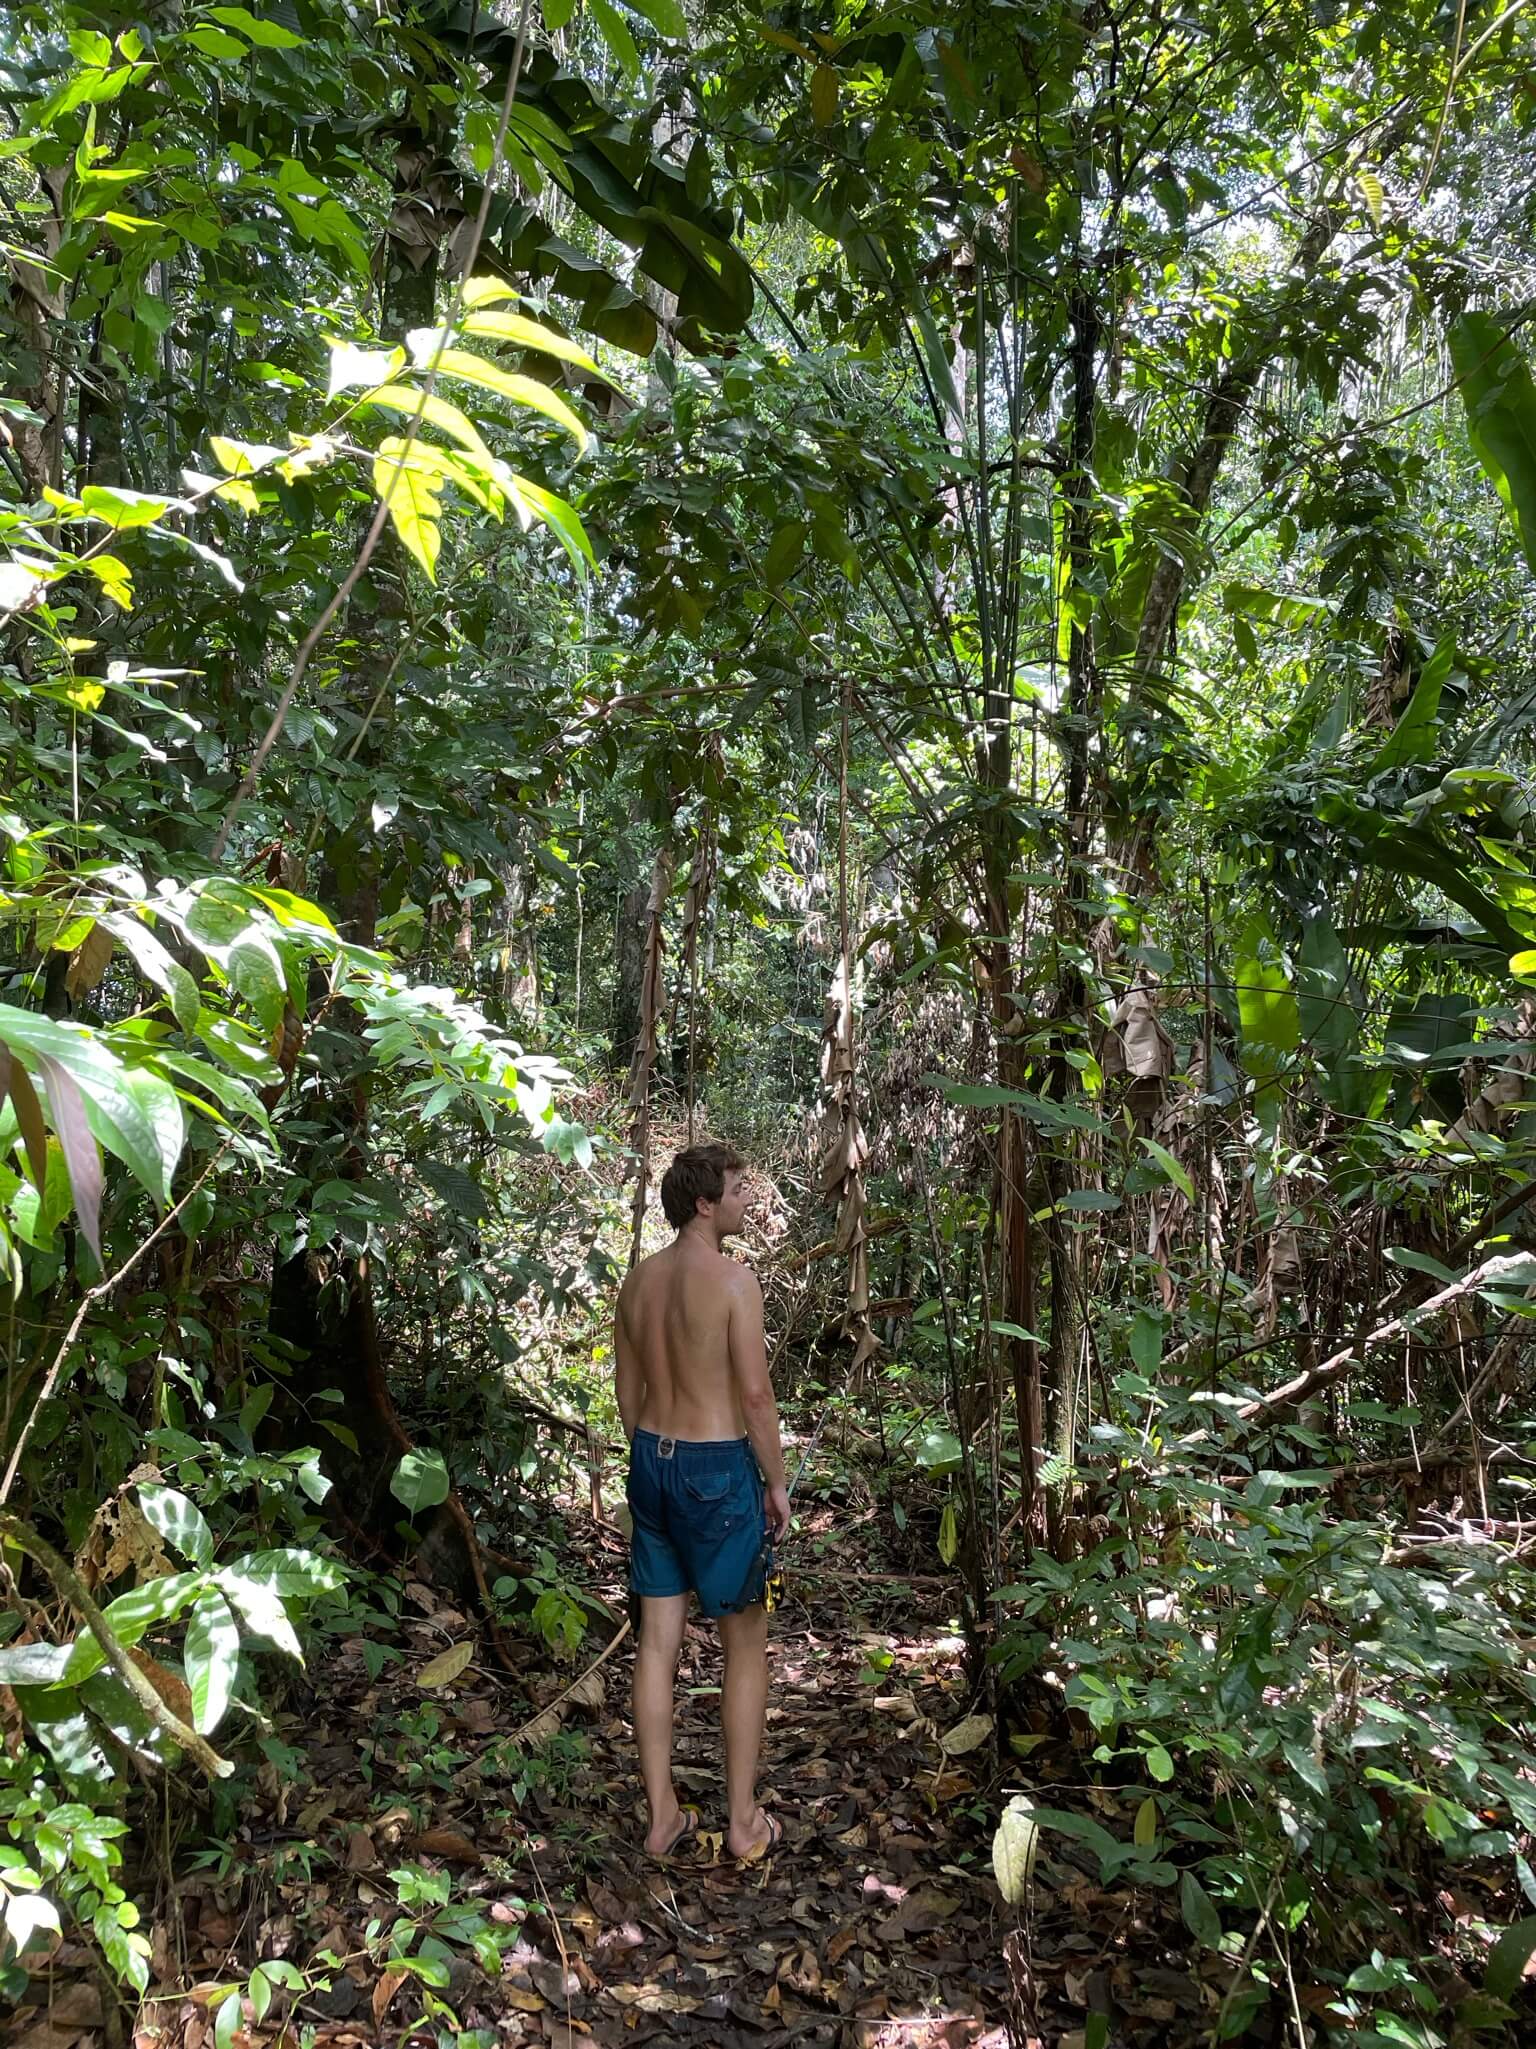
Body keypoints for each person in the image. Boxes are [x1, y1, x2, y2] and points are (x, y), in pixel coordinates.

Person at [614, 1141, 792, 1863]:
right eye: (738, 1188)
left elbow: (629, 1394)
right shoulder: (733, 1282)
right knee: (744, 1644)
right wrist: (775, 1482)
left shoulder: (638, 1282)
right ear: (703, 1203)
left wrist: (652, 1466)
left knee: (658, 1643)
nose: (749, 1197)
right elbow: (754, 1394)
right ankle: (743, 1822)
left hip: (651, 1459)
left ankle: (663, 1818)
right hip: (716, 1468)